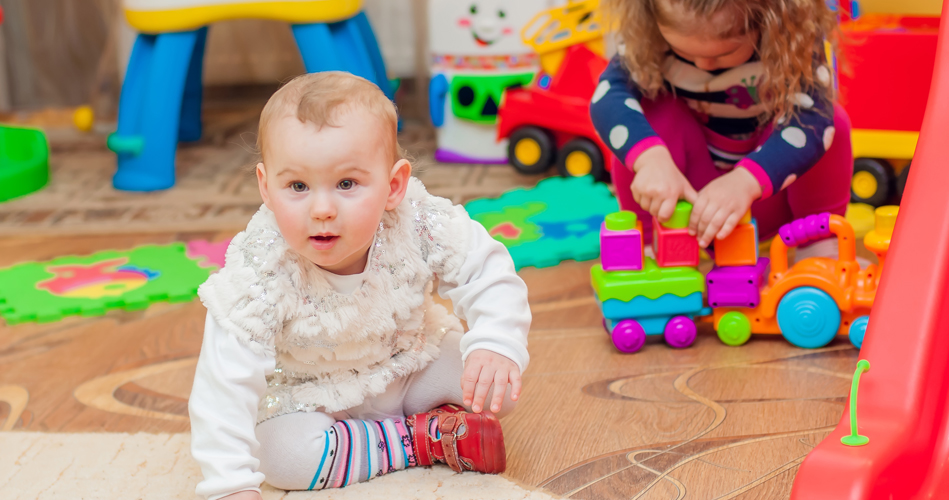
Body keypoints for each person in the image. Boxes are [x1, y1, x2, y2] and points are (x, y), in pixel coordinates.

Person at [189, 71, 530, 500]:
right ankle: (419, 439)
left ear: (393, 186)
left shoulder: (418, 220)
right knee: (281, 458)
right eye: (297, 186)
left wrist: (495, 342)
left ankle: (378, 438)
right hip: (313, 394)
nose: (323, 209)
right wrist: (229, 486)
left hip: (409, 363)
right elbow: (223, 384)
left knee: (497, 386)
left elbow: (486, 269)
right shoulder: (260, 269)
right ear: (266, 188)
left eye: (346, 184)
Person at [591, 0, 852, 259]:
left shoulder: (792, 36)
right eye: (684, 50)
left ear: (768, 15)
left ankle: (818, 244)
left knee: (825, 120)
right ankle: (650, 244)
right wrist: (651, 161)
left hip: (764, 192)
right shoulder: (648, 38)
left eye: (723, 54)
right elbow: (607, 97)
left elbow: (813, 117)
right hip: (683, 200)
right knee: (643, 115)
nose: (704, 65)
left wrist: (745, 182)